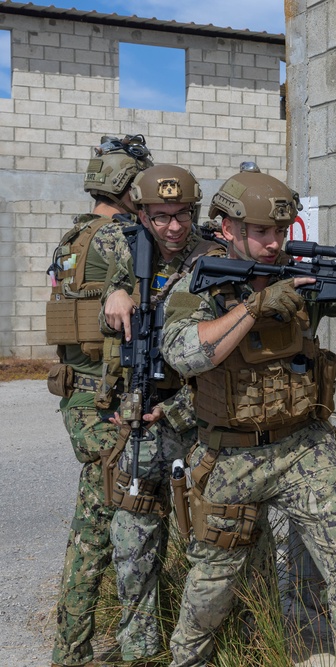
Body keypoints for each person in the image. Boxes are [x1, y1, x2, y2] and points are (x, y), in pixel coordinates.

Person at [160, 163, 336, 667]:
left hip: (304, 448)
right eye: (261, 232)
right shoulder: (199, 284)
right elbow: (183, 354)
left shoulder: (301, 277)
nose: (273, 243)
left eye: (281, 232)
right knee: (213, 585)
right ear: (227, 229)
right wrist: (253, 309)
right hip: (229, 456)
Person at [99, 163, 230, 664]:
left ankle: (204, 651)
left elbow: (225, 354)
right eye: (160, 217)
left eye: (181, 216)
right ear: (143, 214)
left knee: (207, 544)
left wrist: (174, 409)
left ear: (194, 213)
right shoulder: (135, 252)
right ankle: (140, 652)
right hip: (139, 423)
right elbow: (111, 321)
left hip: (196, 422)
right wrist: (114, 295)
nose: (172, 228)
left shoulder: (216, 260)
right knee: (132, 541)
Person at [47, 134, 153, 667]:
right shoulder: (121, 239)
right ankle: (73, 650)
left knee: (101, 515)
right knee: (100, 523)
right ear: (128, 185)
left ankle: (76, 645)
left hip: (78, 396)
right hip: (108, 403)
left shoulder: (73, 239)